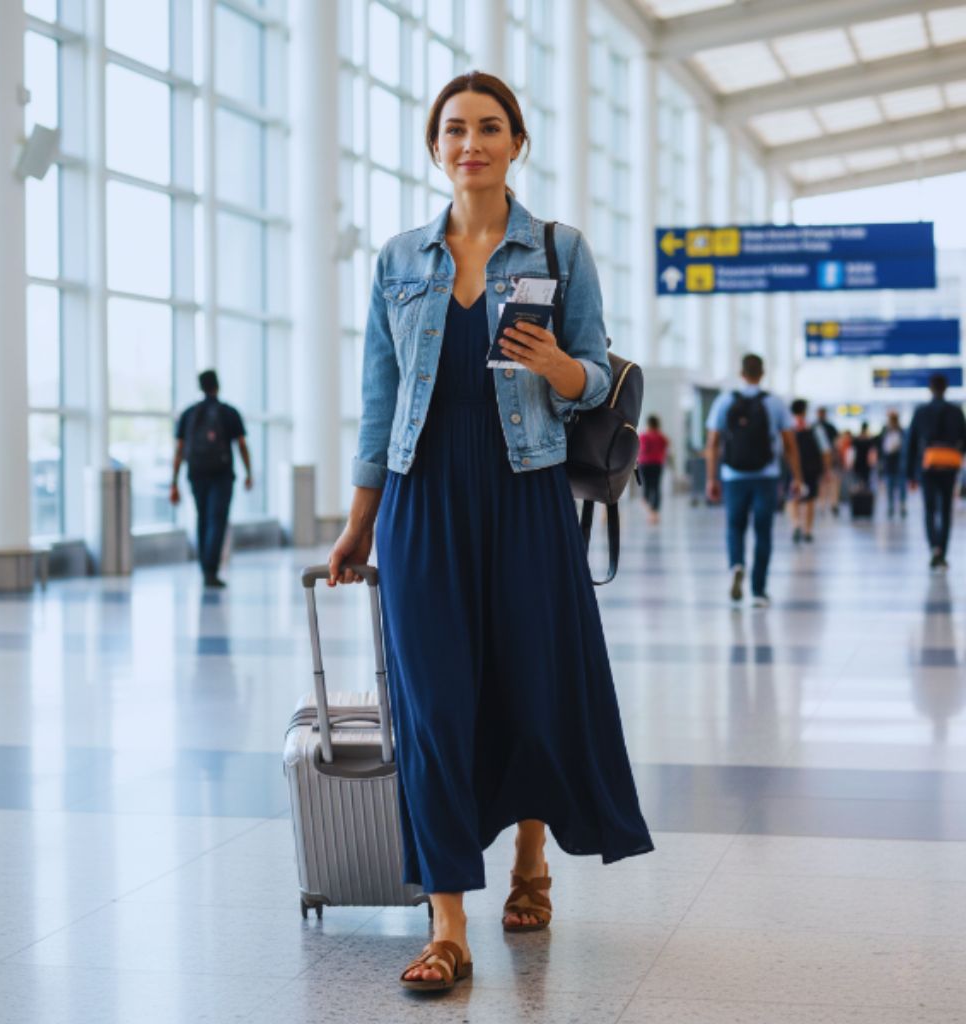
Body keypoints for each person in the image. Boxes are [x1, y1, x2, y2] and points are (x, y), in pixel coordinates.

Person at [327, 71, 653, 993]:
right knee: (434, 708)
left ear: (517, 144)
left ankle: (532, 858)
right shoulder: (399, 260)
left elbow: (600, 376)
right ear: (435, 146)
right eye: (454, 129)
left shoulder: (559, 247)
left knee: (530, 684)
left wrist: (560, 369)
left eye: (490, 127)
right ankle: (446, 923)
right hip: (422, 503)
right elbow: (379, 403)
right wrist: (361, 523)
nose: (471, 142)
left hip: (527, 496)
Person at [705, 354, 803, 607]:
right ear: (762, 373)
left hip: (733, 475)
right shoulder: (775, 403)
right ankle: (759, 591)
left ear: (741, 373)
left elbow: (713, 443)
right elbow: (790, 445)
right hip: (766, 476)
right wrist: (797, 478)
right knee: (763, 532)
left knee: (734, 526)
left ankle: (736, 565)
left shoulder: (725, 400)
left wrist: (711, 478)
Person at [170, 370, 253, 588]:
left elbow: (179, 450)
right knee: (217, 521)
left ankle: (205, 568)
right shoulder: (228, 412)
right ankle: (211, 570)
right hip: (222, 475)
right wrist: (248, 473)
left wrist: (174, 483)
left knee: (203, 518)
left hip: (196, 474)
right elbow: (242, 445)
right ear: (218, 385)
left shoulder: (188, 414)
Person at [905, 373, 966, 571]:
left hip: (927, 467)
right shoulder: (956, 412)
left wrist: (910, 474)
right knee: (946, 510)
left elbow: (911, 443)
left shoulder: (921, 412)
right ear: (946, 388)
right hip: (949, 466)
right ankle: (943, 552)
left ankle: (934, 549)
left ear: (931, 389)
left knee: (930, 509)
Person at [789, 399, 828, 544]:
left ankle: (795, 524)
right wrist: (827, 469)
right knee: (810, 499)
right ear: (805, 411)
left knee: (793, 497)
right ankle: (808, 530)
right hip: (811, 468)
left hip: (792, 468)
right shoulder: (814, 428)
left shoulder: (788, 427)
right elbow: (825, 449)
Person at [638, 414, 669, 524]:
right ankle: (655, 513)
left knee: (646, 487)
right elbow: (666, 450)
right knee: (656, 487)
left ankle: (651, 511)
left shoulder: (643, 436)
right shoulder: (663, 437)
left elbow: (642, 450)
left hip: (645, 464)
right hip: (658, 464)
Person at [877, 410, 907, 519]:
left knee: (902, 487)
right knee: (889, 487)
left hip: (900, 464)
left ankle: (902, 505)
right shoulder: (885, 432)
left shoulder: (902, 432)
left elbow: (906, 447)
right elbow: (881, 447)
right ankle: (891, 506)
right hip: (889, 464)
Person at [814, 406, 840, 516]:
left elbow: (836, 444)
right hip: (818, 460)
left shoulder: (827, 427)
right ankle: (823, 504)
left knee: (830, 481)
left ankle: (832, 504)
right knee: (823, 483)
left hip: (828, 459)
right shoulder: (815, 427)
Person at [851, 422, 875, 492]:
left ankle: (859, 496)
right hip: (866, 462)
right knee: (866, 481)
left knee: (858, 480)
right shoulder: (869, 439)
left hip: (858, 461)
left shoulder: (857, 439)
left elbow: (852, 452)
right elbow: (872, 452)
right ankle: (864, 496)